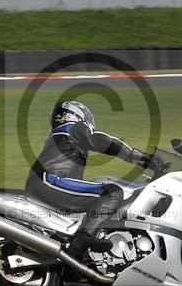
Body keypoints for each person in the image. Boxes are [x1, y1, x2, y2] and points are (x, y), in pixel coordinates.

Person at [25, 100, 151, 256]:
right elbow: (101, 140)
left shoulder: (61, 135)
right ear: (76, 115)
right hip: (50, 182)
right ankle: (83, 238)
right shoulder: (73, 128)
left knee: (96, 191)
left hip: (44, 183)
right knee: (112, 192)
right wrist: (139, 157)